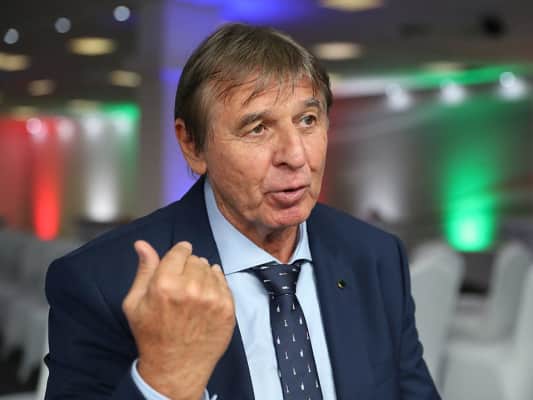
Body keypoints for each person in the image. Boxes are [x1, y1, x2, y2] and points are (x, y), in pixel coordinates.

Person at [44, 23, 440, 400]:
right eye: (258, 128)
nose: (295, 156)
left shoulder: (374, 257)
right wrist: (165, 379)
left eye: (307, 120)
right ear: (192, 145)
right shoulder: (101, 282)